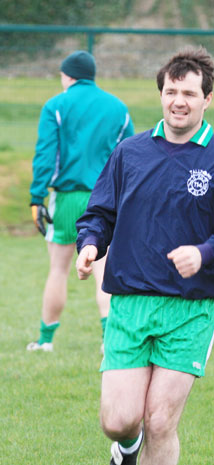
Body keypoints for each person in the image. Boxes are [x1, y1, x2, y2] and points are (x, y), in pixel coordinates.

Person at [75, 47, 214, 465]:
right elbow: (100, 212)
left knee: (160, 422)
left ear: (207, 100)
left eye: (190, 94)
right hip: (129, 305)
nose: (179, 100)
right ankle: (126, 446)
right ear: (161, 94)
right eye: (172, 91)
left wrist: (206, 252)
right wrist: (90, 244)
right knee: (119, 420)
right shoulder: (130, 153)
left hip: (190, 311)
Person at [27, 50, 134, 353]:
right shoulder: (118, 108)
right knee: (104, 270)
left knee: (58, 270)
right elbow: (130, 157)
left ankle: (45, 341)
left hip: (68, 199)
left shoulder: (56, 105)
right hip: (107, 199)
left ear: (67, 75)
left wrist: (36, 197)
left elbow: (46, 156)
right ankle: (109, 341)